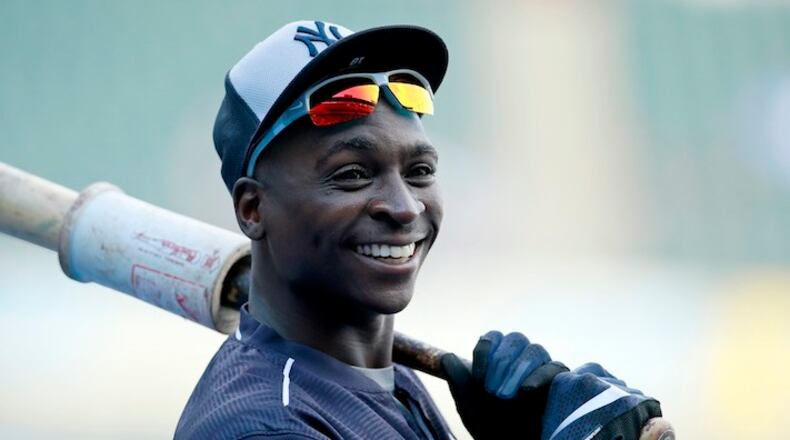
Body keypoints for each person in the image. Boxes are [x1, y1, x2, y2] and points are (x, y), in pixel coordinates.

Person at [175, 20, 663, 440]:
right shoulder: (266, 425)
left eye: (419, 171)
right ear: (253, 208)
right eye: (352, 174)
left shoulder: (389, 379)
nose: (405, 208)